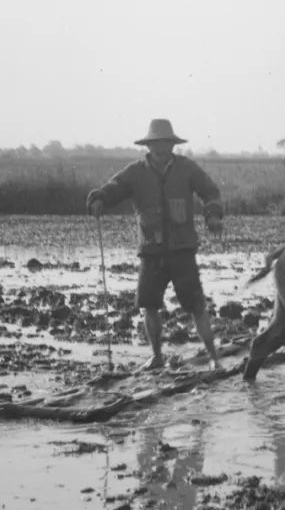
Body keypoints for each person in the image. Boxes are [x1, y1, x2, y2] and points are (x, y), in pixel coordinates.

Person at [86, 118, 224, 371]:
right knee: (149, 306)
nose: (161, 150)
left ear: (172, 145)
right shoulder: (135, 172)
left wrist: (212, 215)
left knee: (196, 306)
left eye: (165, 144)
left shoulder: (187, 168)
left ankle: (214, 358)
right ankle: (157, 357)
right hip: (151, 251)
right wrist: (99, 199)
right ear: (149, 146)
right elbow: (113, 188)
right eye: (156, 145)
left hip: (182, 250)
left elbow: (210, 192)